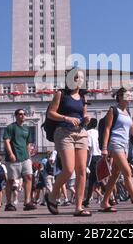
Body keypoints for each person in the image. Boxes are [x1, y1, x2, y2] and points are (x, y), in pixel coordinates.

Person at [44, 68, 91, 217]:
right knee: (69, 170)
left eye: (81, 78)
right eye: (76, 77)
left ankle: (78, 207)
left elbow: (83, 115)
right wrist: (66, 118)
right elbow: (51, 113)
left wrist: (87, 119)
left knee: (82, 170)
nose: (79, 80)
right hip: (64, 132)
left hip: (81, 133)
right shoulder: (61, 94)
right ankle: (52, 196)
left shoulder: (83, 97)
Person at [99, 88, 133, 213]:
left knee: (115, 175)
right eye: (127, 95)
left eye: (130, 95)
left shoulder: (126, 113)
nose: (129, 97)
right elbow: (107, 129)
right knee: (128, 172)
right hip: (115, 144)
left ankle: (104, 201)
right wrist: (105, 148)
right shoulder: (113, 110)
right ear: (120, 97)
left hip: (124, 146)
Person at [3, 109, 36, 211]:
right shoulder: (10, 127)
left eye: (24, 114)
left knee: (29, 177)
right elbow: (6, 141)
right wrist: (11, 153)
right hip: (13, 158)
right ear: (16, 116)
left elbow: (28, 143)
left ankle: (27, 202)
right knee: (11, 181)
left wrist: (29, 155)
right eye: (20, 114)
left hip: (25, 157)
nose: (23, 116)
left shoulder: (27, 129)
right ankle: (9, 203)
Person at [83, 118, 102, 207]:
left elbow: (89, 147)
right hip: (100, 156)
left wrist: (86, 162)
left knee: (96, 180)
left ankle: (110, 198)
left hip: (92, 157)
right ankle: (87, 200)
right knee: (94, 180)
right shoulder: (98, 132)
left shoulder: (88, 133)